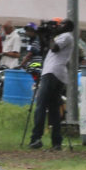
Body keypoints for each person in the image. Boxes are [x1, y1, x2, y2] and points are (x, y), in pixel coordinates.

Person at [29, 19, 74, 151]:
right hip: (55, 73)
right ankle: (56, 142)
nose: (58, 26)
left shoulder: (66, 36)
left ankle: (36, 138)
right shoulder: (61, 36)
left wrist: (49, 36)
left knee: (41, 105)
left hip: (52, 73)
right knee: (54, 109)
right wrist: (44, 36)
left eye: (61, 24)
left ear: (68, 26)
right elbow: (47, 47)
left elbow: (54, 48)